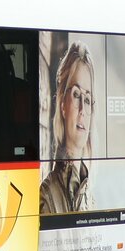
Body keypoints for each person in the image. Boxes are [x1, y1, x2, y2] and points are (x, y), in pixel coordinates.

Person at [39, 42, 96, 214]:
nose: (82, 112)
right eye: (76, 95)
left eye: (87, 100)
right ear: (63, 103)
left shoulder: (89, 197)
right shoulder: (47, 195)